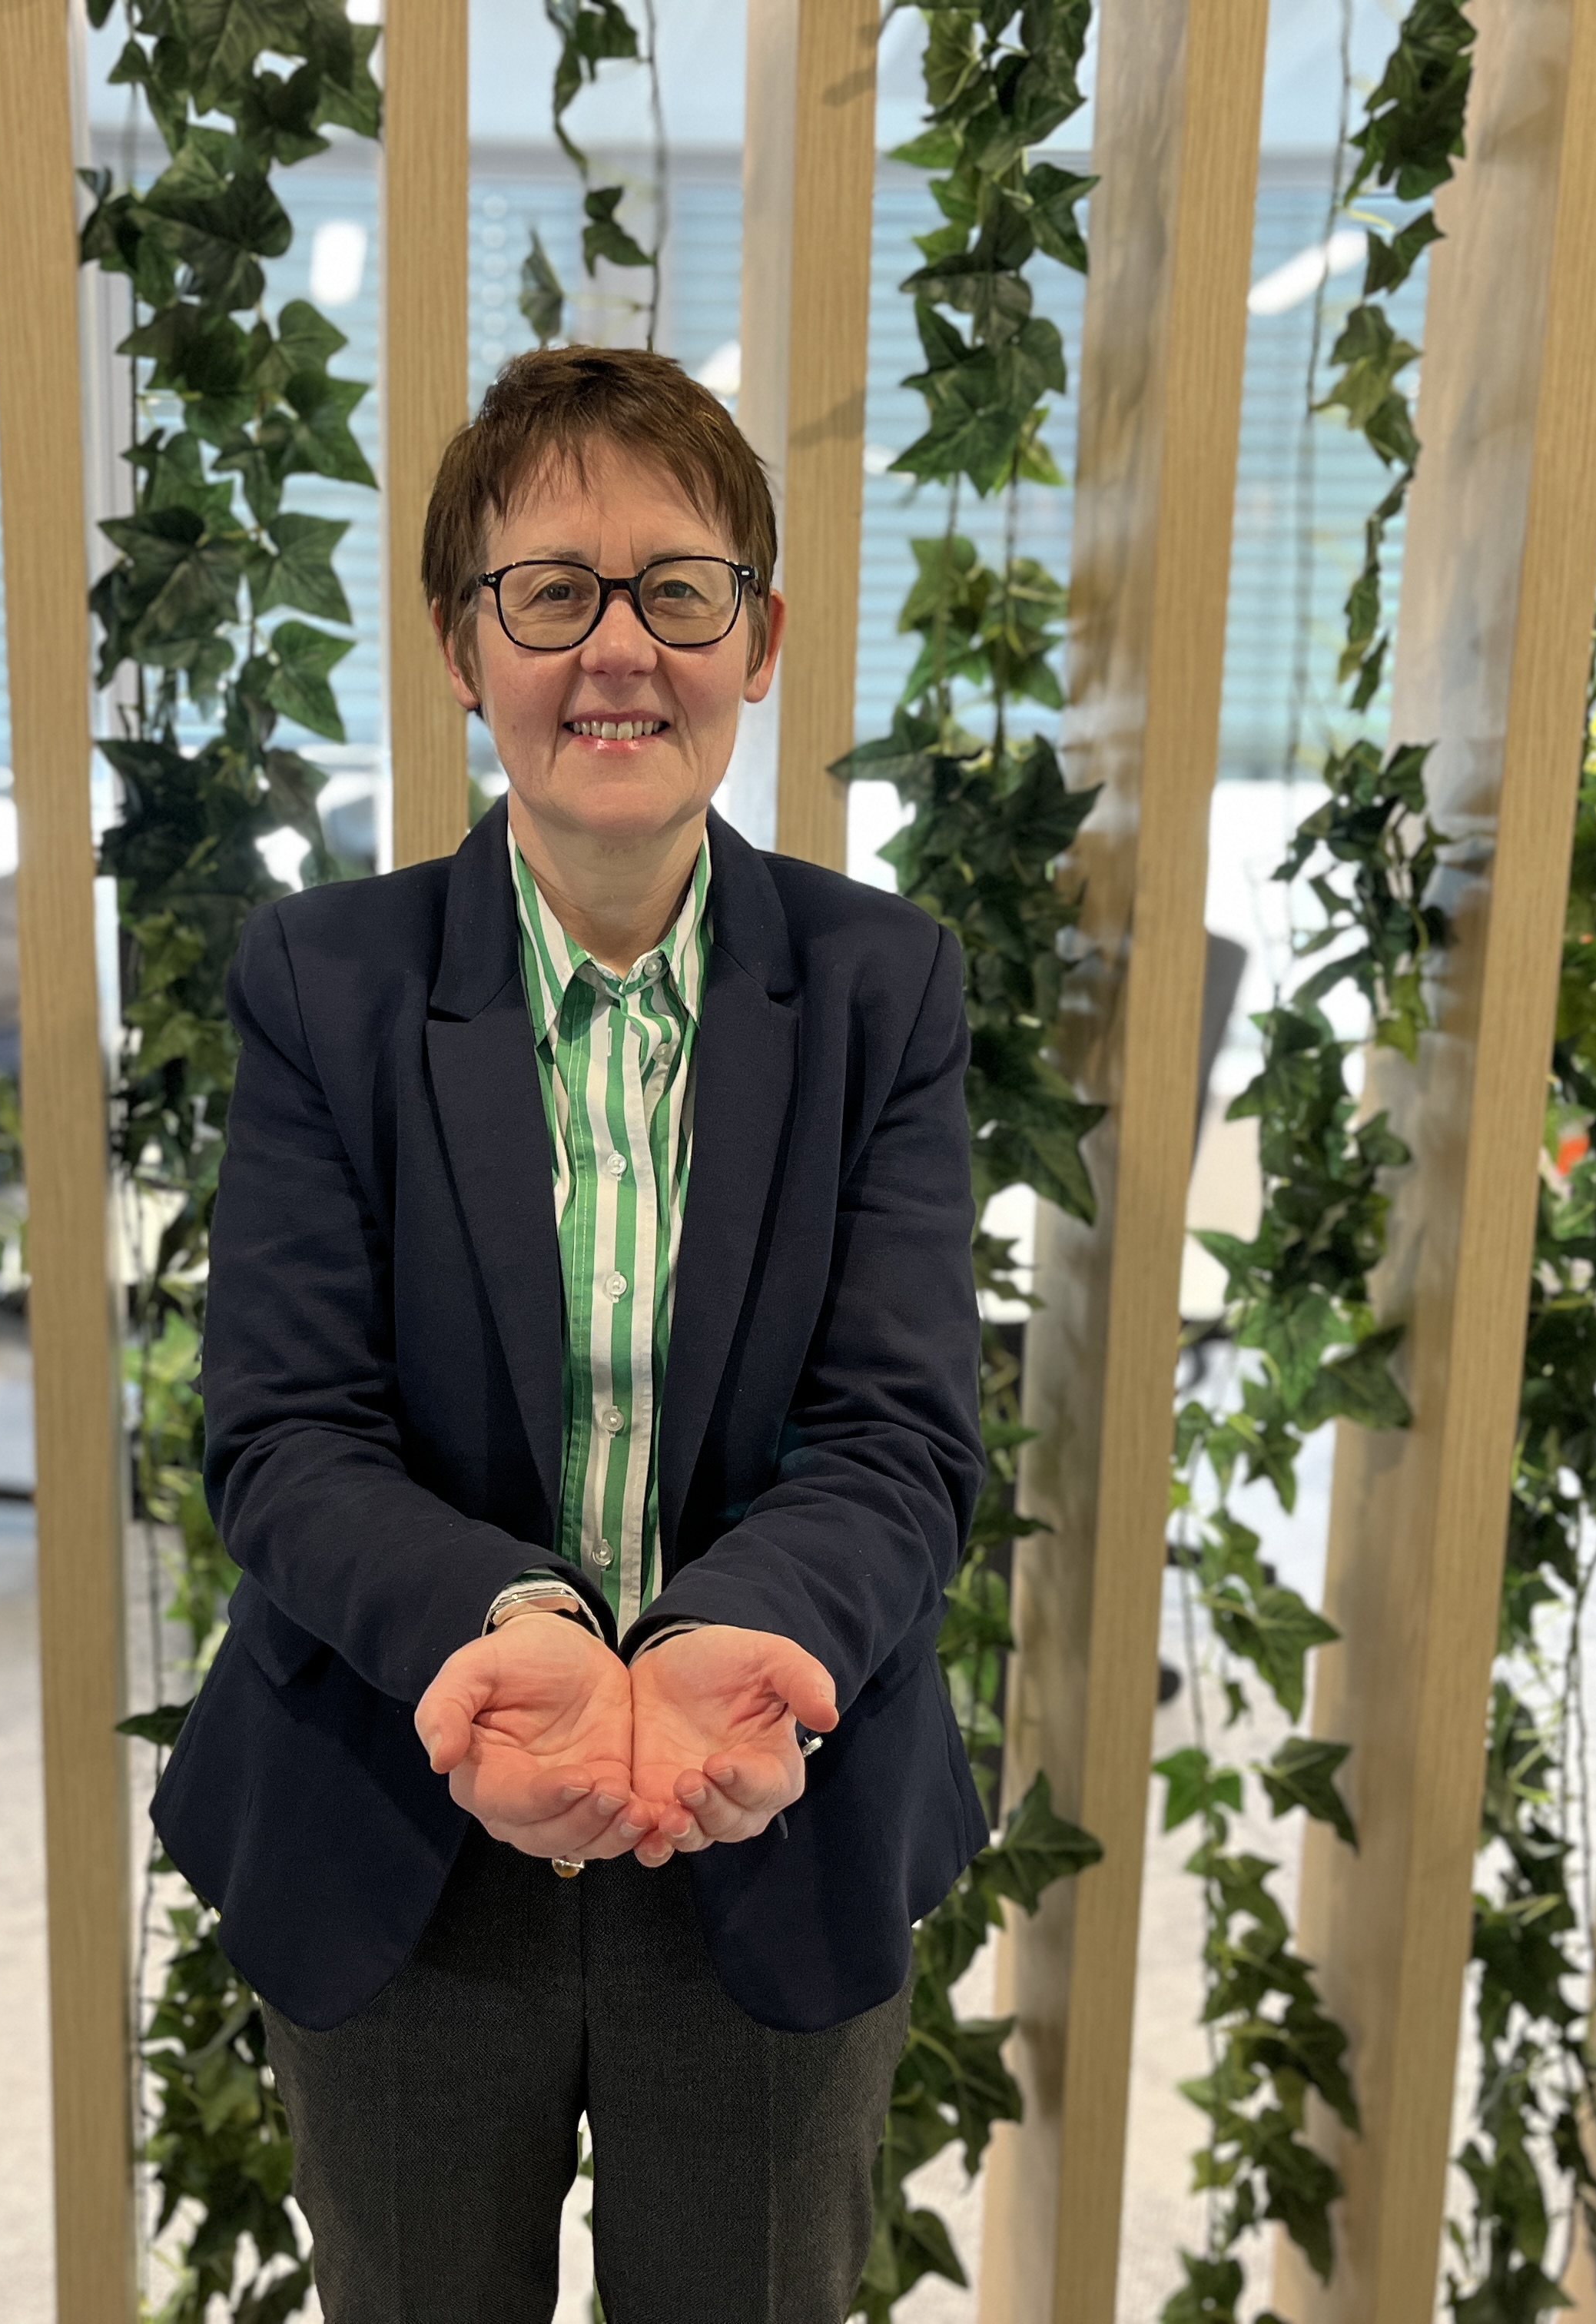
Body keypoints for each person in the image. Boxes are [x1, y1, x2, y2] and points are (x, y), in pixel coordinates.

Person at [151, 343, 988, 2322]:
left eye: (678, 589)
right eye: (552, 592)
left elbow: (902, 1433)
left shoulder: (885, 988)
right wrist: (508, 1636)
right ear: (465, 641)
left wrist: (718, 1649)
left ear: (759, 638)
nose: (619, 651)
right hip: (406, 1823)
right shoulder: (323, 985)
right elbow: (285, 1432)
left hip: (765, 1814)